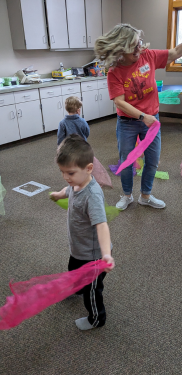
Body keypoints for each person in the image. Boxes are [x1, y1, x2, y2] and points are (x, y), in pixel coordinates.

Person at [95, 20, 182, 210]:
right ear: (122, 48)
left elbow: (176, 52)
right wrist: (142, 117)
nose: (140, 47)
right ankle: (127, 195)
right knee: (127, 161)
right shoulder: (114, 71)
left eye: (140, 43)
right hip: (128, 123)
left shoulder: (147, 56)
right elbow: (120, 101)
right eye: (134, 45)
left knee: (152, 161)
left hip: (152, 122)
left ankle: (145, 196)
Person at [50, 135, 114, 330]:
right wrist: (60, 194)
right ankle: (75, 289)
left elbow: (102, 225)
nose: (65, 177)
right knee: (73, 272)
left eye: (69, 173)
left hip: (94, 257)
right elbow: (69, 189)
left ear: (88, 169)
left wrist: (105, 254)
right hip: (79, 249)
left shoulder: (92, 195)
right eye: (62, 172)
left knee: (92, 290)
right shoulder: (76, 182)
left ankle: (96, 318)